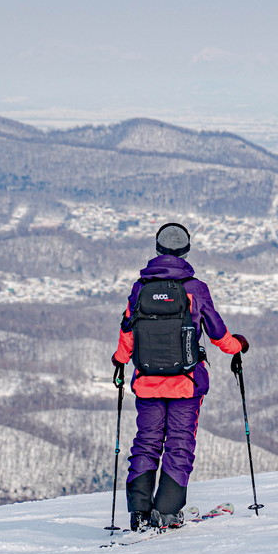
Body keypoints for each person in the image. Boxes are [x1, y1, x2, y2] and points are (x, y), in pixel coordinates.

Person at [111, 222, 249, 530]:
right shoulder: (195, 288)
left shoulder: (140, 287)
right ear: (186, 250)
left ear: (158, 249)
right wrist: (237, 345)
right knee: (179, 444)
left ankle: (140, 513)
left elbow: (127, 332)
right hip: (186, 384)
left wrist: (120, 360)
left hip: (147, 382)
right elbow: (217, 333)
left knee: (146, 443)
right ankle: (168, 512)